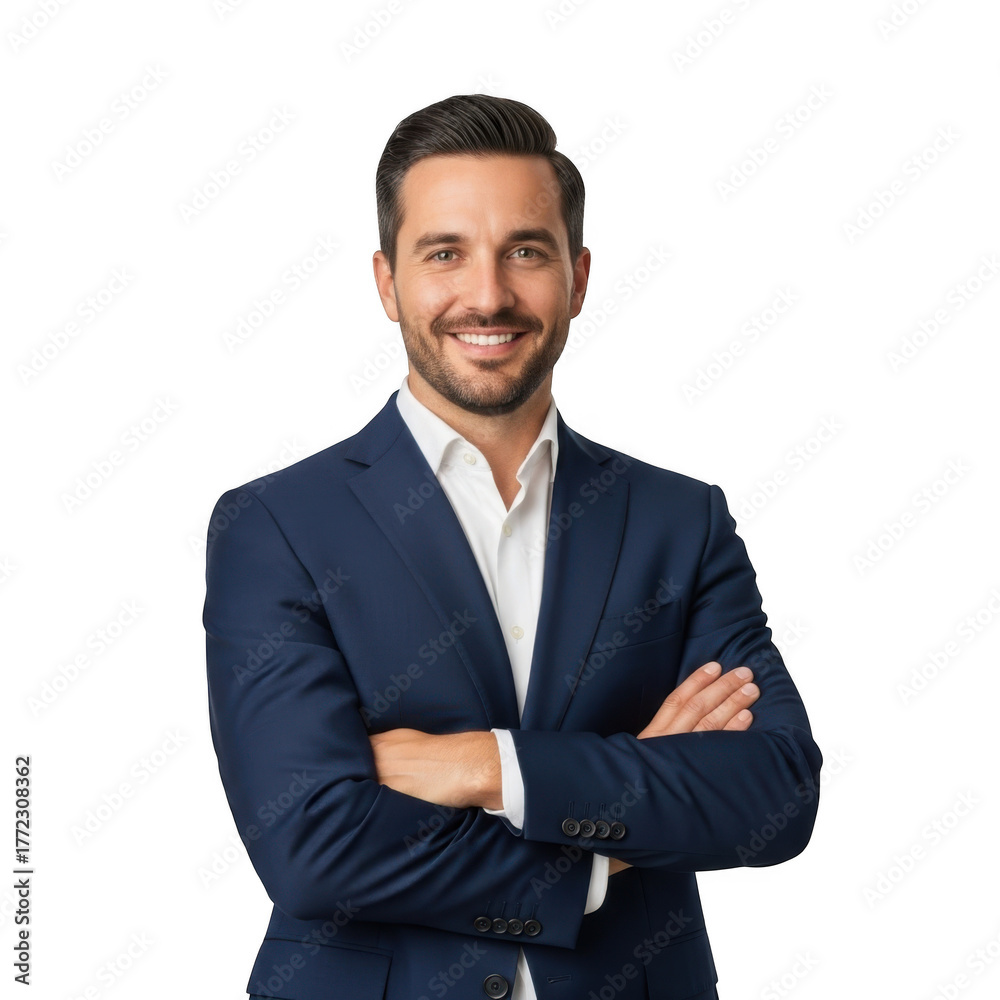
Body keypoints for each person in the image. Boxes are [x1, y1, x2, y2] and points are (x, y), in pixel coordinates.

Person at [204, 94, 822, 1000]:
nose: (488, 295)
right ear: (387, 282)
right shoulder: (276, 524)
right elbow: (311, 847)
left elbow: (773, 795)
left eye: (525, 252)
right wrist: (603, 851)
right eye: (444, 253)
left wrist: (482, 766)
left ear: (578, 277)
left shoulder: (679, 519)